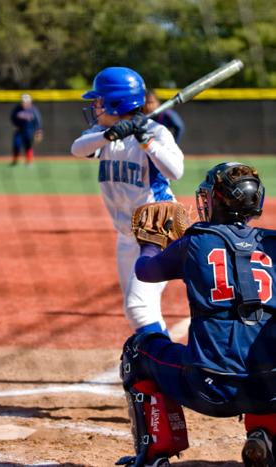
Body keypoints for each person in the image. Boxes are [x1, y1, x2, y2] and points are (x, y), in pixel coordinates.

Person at [119, 162, 276, 467]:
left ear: (214, 200)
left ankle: (153, 455)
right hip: (270, 391)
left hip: (209, 388)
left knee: (137, 350)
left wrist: (150, 244)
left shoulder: (195, 241)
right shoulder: (273, 245)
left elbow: (145, 272)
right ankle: (265, 434)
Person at [71, 67, 184, 335]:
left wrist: (147, 142)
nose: (95, 105)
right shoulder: (104, 133)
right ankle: (153, 370)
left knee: (138, 307)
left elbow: (175, 171)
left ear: (115, 102)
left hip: (158, 226)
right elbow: (77, 149)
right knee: (141, 308)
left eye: (99, 100)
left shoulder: (156, 131)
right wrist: (110, 134)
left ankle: (164, 368)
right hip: (126, 233)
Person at [10, 93, 43, 166]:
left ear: (29, 102)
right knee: (16, 145)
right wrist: (15, 125)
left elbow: (38, 120)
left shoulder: (33, 110)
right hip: (19, 131)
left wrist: (39, 131)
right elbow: (12, 117)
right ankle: (14, 161)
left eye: (25, 101)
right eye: (22, 101)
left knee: (28, 146)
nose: (23, 103)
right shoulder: (17, 109)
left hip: (29, 131)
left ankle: (29, 161)